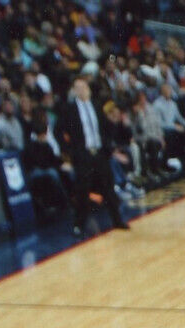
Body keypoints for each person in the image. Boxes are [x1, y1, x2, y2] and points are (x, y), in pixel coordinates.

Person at [62, 75, 128, 234]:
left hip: (99, 153)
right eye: (77, 88)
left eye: (83, 87)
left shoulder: (96, 105)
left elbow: (105, 127)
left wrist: (108, 142)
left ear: (88, 89)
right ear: (74, 91)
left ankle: (117, 221)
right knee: (82, 191)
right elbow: (60, 131)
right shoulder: (69, 109)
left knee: (108, 187)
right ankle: (79, 225)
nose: (81, 90)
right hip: (83, 154)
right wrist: (69, 151)